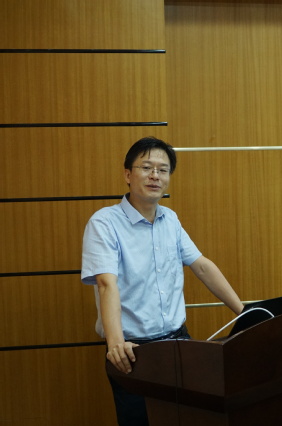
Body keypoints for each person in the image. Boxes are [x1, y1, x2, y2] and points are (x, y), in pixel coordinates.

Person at [81, 136, 243, 426]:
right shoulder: (104, 223)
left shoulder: (170, 219)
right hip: (134, 352)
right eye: (146, 167)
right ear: (128, 175)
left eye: (163, 170)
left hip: (179, 342)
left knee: (192, 420)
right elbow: (106, 284)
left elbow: (202, 266)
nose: (155, 175)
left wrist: (245, 313)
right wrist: (116, 345)